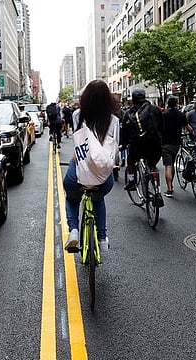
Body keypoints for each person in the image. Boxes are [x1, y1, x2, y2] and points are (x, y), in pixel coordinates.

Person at [63, 80, 120, 252]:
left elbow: (78, 143)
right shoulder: (114, 120)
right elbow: (115, 149)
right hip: (103, 178)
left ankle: (73, 231)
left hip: (78, 172)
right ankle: (102, 239)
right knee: (98, 199)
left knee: (72, 198)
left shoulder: (77, 115)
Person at [121, 88, 164, 206]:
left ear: (133, 99)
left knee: (130, 159)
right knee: (153, 167)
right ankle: (158, 193)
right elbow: (161, 126)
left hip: (137, 146)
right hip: (155, 146)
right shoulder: (156, 110)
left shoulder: (129, 113)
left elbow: (124, 132)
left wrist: (123, 144)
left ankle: (132, 181)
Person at [161, 96, 187, 197]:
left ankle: (169, 188)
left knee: (168, 165)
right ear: (176, 104)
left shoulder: (164, 115)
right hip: (176, 143)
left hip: (165, 143)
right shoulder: (180, 114)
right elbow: (188, 127)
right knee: (173, 163)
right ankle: (171, 185)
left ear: (168, 104)